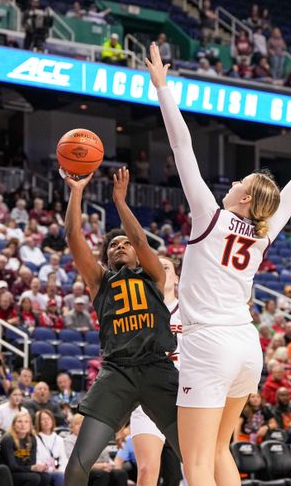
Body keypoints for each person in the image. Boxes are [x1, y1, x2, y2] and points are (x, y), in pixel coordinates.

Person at [146, 42, 291, 486]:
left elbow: (181, 144)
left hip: (208, 345)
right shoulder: (264, 230)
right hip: (247, 347)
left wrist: (163, 89)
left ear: (244, 198)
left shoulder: (210, 215)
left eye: (238, 183)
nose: (229, 184)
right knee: (220, 451)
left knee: (197, 462)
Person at [61, 165, 181, 486]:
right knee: (77, 465)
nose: (120, 246)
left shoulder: (153, 275)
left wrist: (120, 201)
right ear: (107, 258)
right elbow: (73, 237)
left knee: (195, 456)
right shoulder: (101, 282)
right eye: (113, 245)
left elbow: (141, 238)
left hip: (158, 368)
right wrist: (76, 192)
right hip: (118, 372)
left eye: (125, 243)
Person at [130, 256, 182, 486]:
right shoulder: (137, 313)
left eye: (166, 267)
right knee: (146, 470)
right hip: (148, 396)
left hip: (186, 397)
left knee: (197, 468)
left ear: (177, 278)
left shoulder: (191, 311)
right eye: (155, 268)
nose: (160, 271)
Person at [0, 410, 52, 486]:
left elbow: (32, 462)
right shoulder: (8, 439)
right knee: (34, 478)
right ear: (14, 424)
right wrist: (31, 468)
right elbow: (12, 466)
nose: (23, 425)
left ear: (30, 425)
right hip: (10, 474)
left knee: (45, 477)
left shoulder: (32, 439)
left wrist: (37, 468)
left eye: (26, 422)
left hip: (23, 471)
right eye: (19, 421)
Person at [34, 410, 67, 485]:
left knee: (63, 475)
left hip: (58, 471)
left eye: (48, 418)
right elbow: (36, 460)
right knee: (59, 476)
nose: (46, 421)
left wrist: (60, 470)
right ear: (39, 422)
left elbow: (63, 459)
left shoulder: (59, 439)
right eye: (43, 419)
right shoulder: (35, 439)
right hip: (43, 471)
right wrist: (50, 469)